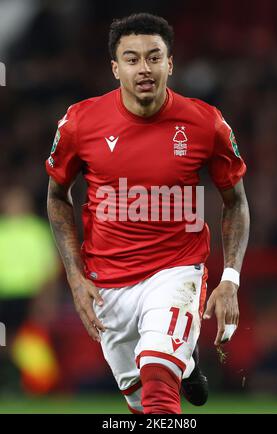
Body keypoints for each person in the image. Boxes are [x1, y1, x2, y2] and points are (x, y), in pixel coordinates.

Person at [46, 13, 250, 414]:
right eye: (132, 58)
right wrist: (74, 276)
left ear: (170, 64)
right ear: (115, 68)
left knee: (159, 390)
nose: (144, 68)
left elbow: (236, 202)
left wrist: (230, 279)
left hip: (176, 270)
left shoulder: (205, 123)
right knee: (142, 405)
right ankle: (184, 361)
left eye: (154, 57)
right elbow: (57, 196)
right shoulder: (79, 123)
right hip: (108, 283)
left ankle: (172, 357)